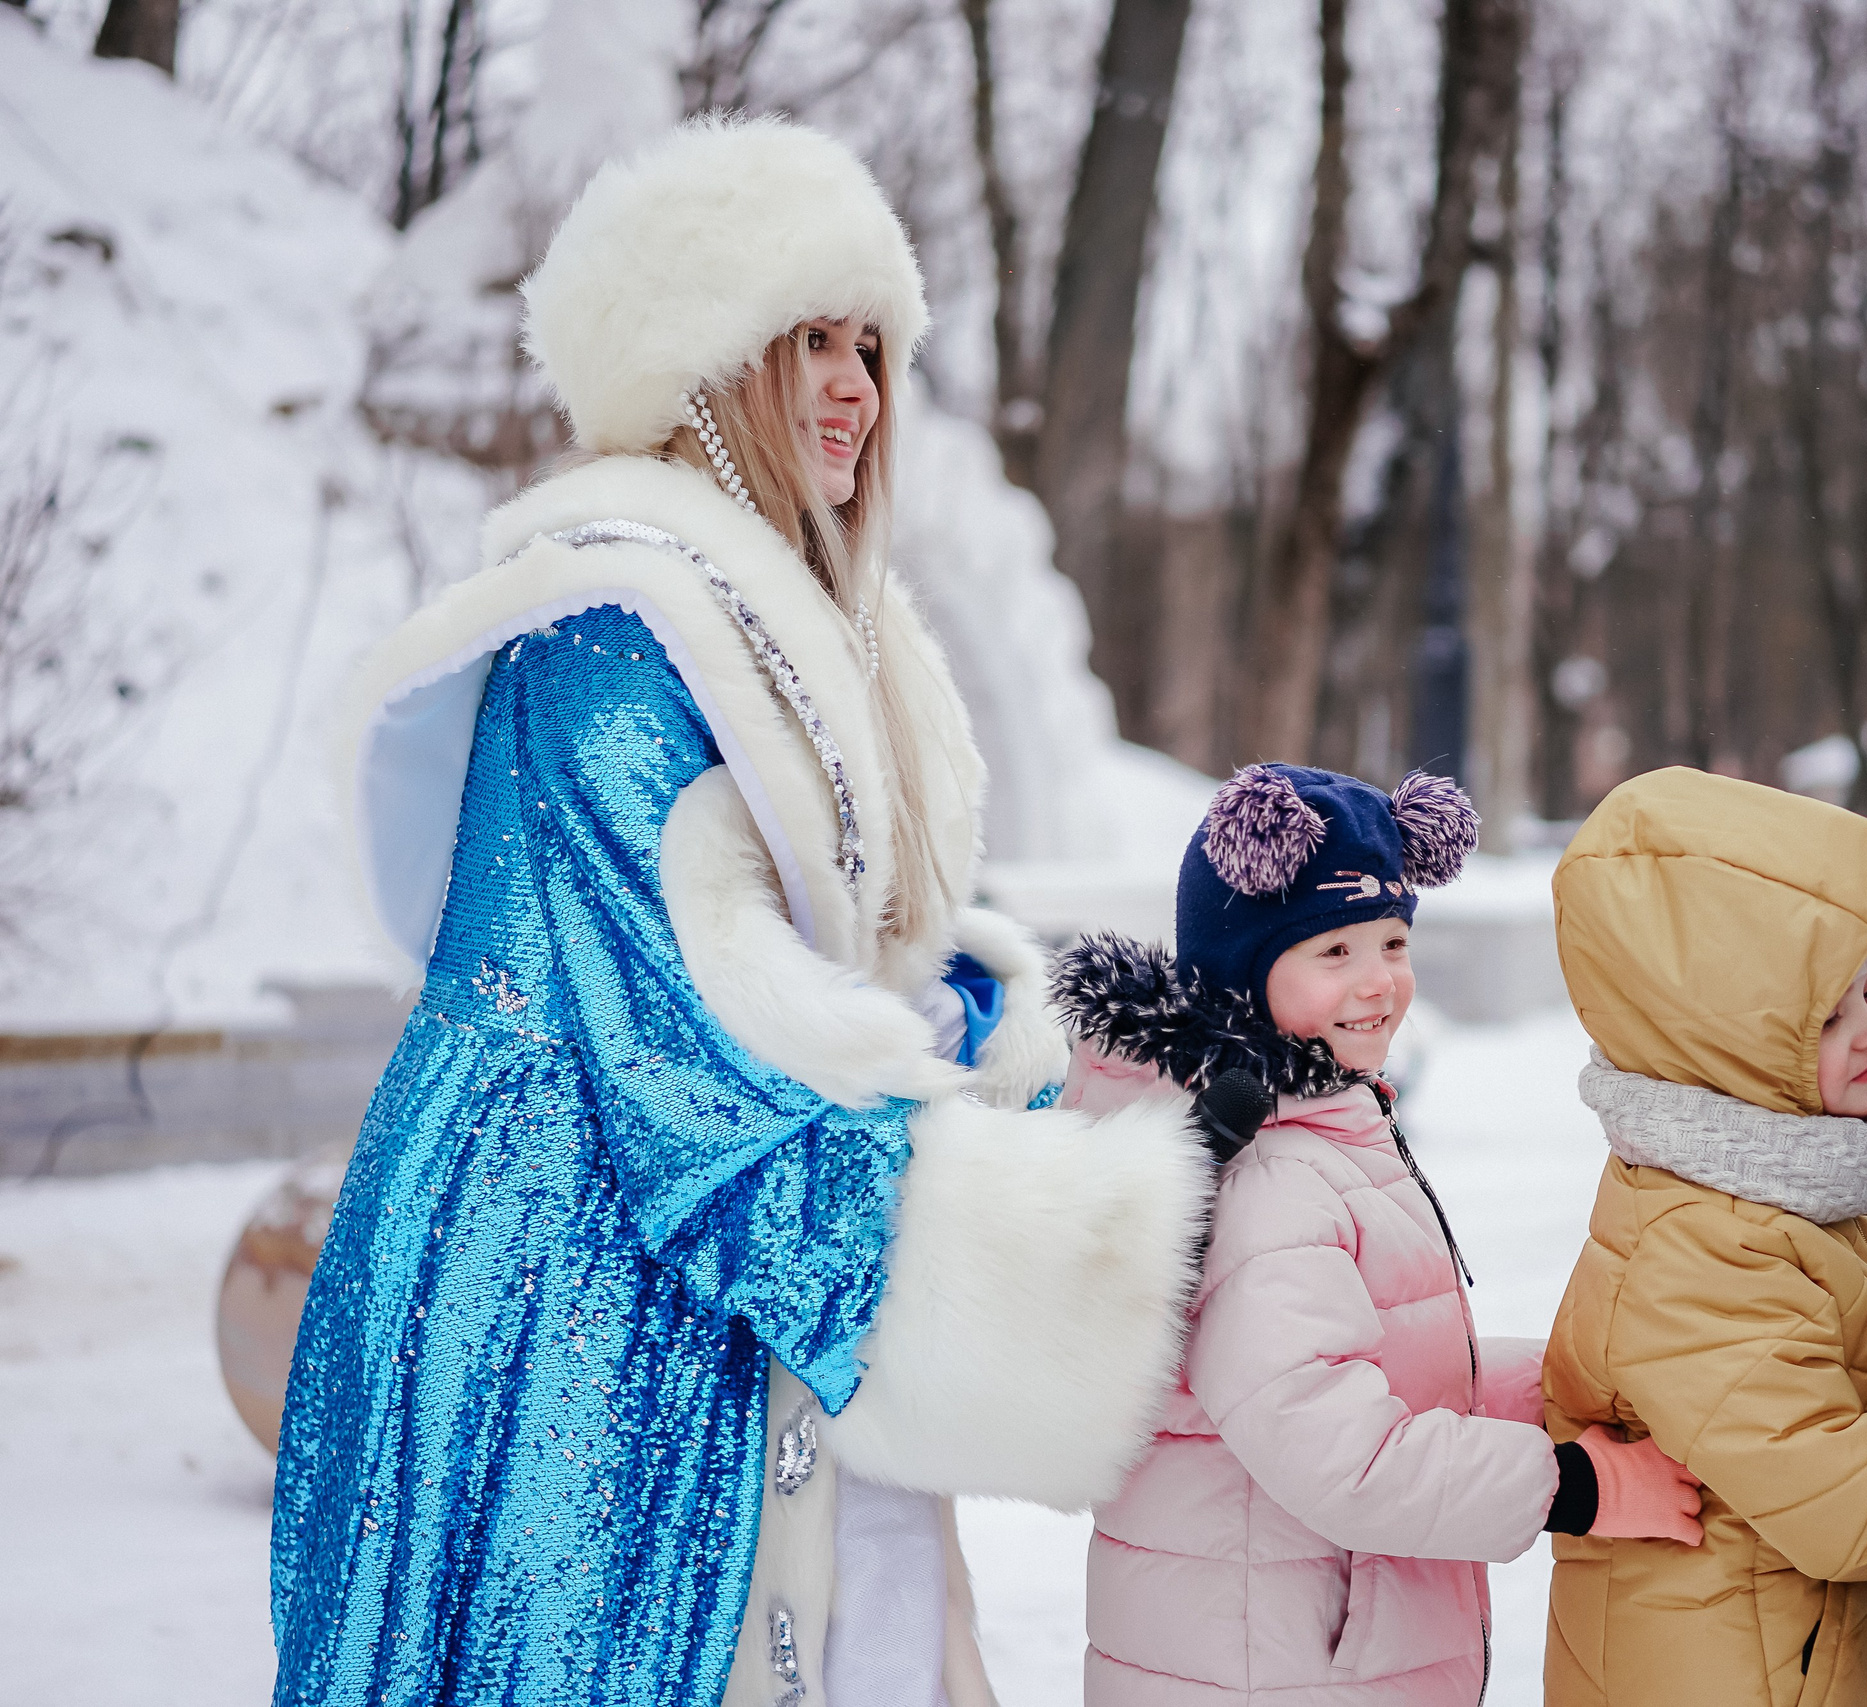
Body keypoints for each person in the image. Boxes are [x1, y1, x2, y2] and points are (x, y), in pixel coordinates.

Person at [272, 118, 1219, 1707]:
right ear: (705, 366)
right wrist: (1063, 1245)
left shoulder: (816, 630)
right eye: (810, 344)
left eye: (873, 345)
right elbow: (689, 1046)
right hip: (570, 1287)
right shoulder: (609, 638)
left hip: (714, 1255)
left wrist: (1003, 1042)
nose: (857, 386)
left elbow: (874, 954)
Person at [1051, 763, 1705, 1705]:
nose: (1379, 982)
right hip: (1267, 1674)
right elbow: (1342, 1453)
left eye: (1393, 941)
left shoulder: (1310, 1119)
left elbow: (1383, 1364)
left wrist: (1585, 1377)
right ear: (1243, 965)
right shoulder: (1264, 1170)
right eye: (1333, 952)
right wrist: (1579, 1484)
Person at [1542, 767, 1867, 1706]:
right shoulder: (1699, 1249)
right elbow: (1860, 1514)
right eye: (1833, 1012)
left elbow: (1861, 1327)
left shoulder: (1771, 1188)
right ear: (1727, 1041)